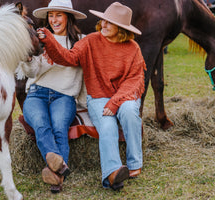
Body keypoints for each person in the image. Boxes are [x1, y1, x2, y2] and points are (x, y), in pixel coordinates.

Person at [38, 2, 146, 190]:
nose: (103, 25)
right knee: (107, 124)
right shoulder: (90, 41)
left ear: (121, 29)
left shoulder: (133, 48)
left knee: (129, 112)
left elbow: (134, 80)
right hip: (98, 95)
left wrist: (115, 102)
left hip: (124, 95)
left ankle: (134, 163)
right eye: (103, 21)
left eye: (109, 23)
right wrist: (49, 40)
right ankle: (112, 173)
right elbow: (68, 57)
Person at [18, 0, 87, 193]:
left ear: (68, 17)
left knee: (59, 127)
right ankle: (59, 170)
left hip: (64, 95)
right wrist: (28, 57)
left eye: (59, 15)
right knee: (41, 124)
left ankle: (54, 174)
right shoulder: (40, 38)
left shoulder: (81, 41)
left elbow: (87, 67)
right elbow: (32, 73)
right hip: (36, 93)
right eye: (51, 15)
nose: (54, 19)